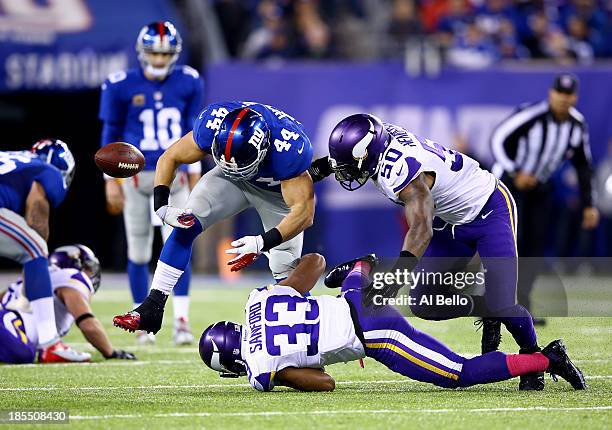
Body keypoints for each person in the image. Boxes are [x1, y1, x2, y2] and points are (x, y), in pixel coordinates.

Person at [308, 112, 544, 390]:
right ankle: (488, 308)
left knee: (504, 302)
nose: (346, 172)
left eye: (351, 166)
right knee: (425, 304)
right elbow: (333, 163)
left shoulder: (401, 171)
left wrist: (395, 281)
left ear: (368, 154)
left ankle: (536, 355)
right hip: (449, 221)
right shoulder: (378, 142)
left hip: (488, 210)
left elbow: (421, 229)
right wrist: (305, 175)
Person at [198, 254, 586, 392]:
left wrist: (285, 374)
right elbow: (314, 261)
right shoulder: (259, 299)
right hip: (353, 299)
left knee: (459, 374)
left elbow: (325, 384)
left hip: (375, 332)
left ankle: (546, 359)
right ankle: (358, 270)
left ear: (231, 364)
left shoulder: (261, 370)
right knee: (344, 285)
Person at [112, 101, 315, 336]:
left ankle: (305, 334)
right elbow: (170, 156)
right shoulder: (213, 123)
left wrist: (261, 242)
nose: (234, 166)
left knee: (285, 271)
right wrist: (161, 206)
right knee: (185, 223)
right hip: (230, 180)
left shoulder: (289, 148)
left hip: (276, 192)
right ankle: (152, 307)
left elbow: (304, 213)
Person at [99, 21, 204, 345]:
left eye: (164, 53)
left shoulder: (188, 81)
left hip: (175, 172)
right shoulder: (119, 84)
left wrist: (196, 168)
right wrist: (109, 180)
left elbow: (194, 130)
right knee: (139, 250)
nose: (159, 59)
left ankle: (182, 321)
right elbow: (111, 131)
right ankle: (141, 319)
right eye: (154, 53)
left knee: (178, 243)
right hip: (134, 174)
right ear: (143, 52)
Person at [490, 73, 598, 324]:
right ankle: (496, 303)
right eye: (559, 92)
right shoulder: (531, 116)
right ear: (551, 93)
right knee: (508, 243)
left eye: (568, 94)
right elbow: (498, 140)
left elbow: (583, 166)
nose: (563, 98)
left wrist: (589, 204)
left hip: (540, 188)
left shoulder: (576, 125)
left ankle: (522, 306)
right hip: (510, 185)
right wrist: (515, 171)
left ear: (575, 97)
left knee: (534, 246)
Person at [0, 140, 89, 363]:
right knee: (35, 248)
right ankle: (50, 343)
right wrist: (36, 270)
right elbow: (36, 208)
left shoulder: (16, 159)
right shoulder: (47, 171)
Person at [0, 244, 135, 363]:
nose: (91, 273)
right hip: (12, 327)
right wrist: (110, 352)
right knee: (23, 354)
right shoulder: (70, 277)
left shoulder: (39, 277)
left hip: (10, 327)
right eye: (88, 267)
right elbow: (88, 324)